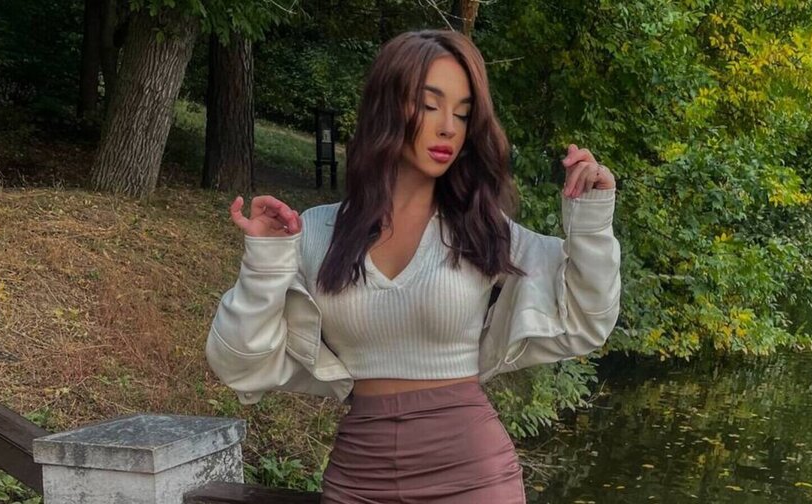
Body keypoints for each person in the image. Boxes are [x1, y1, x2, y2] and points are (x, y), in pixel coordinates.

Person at [205, 29, 620, 504]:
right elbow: (237, 363)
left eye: (462, 114)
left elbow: (587, 320)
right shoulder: (317, 232)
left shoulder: (484, 230)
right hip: (358, 478)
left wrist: (591, 219)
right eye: (430, 105)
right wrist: (265, 262)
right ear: (387, 107)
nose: (448, 128)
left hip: (471, 476)